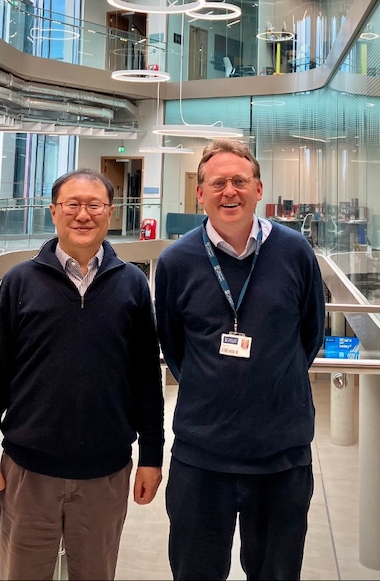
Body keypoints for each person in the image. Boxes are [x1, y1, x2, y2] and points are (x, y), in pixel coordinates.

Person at [0, 168, 164, 581]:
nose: (83, 214)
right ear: (53, 212)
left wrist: (151, 456)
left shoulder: (132, 285)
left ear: (109, 213)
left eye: (94, 205)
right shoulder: (20, 281)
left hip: (105, 475)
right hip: (27, 474)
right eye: (72, 204)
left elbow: (147, 379)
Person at [155, 138, 325, 581]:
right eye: (218, 183)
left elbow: (311, 334)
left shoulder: (296, 252)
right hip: (201, 457)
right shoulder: (175, 262)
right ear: (200, 193)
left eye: (239, 181)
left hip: (281, 457)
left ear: (258, 188)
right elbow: (174, 348)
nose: (229, 191)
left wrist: (270, 375)